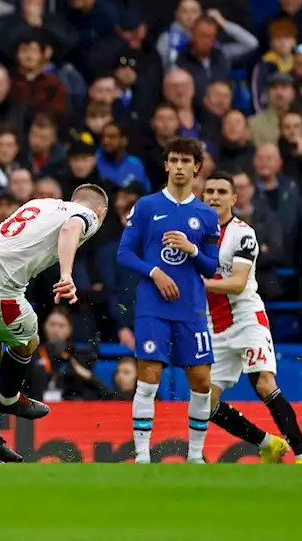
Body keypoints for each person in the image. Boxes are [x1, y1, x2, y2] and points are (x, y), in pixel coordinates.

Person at [0, 184, 108, 462]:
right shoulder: (88, 215)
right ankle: (8, 398)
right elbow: (70, 230)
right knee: (30, 339)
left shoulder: (43, 203)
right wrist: (67, 274)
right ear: (101, 211)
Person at [117, 137, 221, 464]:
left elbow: (211, 266)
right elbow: (123, 254)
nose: (179, 166)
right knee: (149, 376)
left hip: (191, 307)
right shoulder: (147, 206)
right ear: (165, 165)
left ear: (197, 167)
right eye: (173, 160)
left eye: (185, 161)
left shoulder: (206, 214)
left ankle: (195, 456)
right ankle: (142, 455)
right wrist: (154, 272)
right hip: (152, 307)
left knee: (202, 381)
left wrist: (192, 249)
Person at [200, 174, 302, 464]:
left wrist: (197, 285)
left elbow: (238, 283)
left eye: (221, 192)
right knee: (204, 403)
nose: (214, 197)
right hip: (215, 324)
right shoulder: (194, 235)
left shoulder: (243, 233)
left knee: (264, 384)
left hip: (247, 318)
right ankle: (267, 444)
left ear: (233, 199)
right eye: (209, 191)